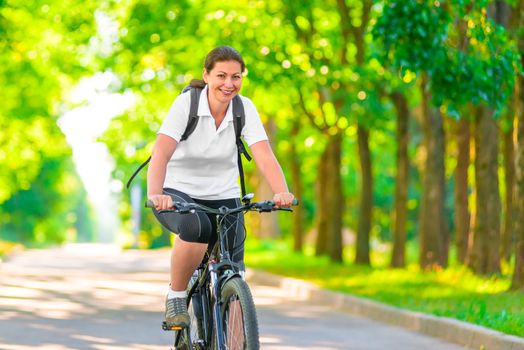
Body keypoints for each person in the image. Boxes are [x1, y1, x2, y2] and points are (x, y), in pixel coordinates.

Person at [147, 45, 295, 328]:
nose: (229, 84)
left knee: (234, 272)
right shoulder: (187, 104)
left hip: (224, 195)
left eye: (236, 77)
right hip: (178, 192)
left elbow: (264, 154)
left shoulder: (244, 108)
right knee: (197, 227)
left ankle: (237, 339)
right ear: (206, 75)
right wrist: (157, 194)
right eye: (222, 76)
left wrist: (281, 191)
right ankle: (176, 295)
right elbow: (161, 153)